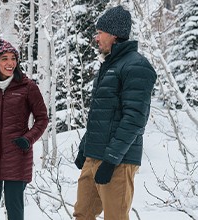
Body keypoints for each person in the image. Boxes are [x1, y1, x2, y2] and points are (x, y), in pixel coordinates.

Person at [73, 5, 157, 220]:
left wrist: (111, 160)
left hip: (118, 161)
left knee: (115, 217)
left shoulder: (136, 66)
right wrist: (86, 147)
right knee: (82, 215)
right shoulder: (109, 65)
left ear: (114, 34)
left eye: (100, 32)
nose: (96, 38)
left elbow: (135, 119)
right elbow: (102, 115)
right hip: (94, 157)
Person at [0, 38, 48, 220]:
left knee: (15, 210)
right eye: (4, 58)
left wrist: (28, 139)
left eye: (13, 58)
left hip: (17, 153)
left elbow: (42, 118)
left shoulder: (28, 87)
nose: (10, 63)